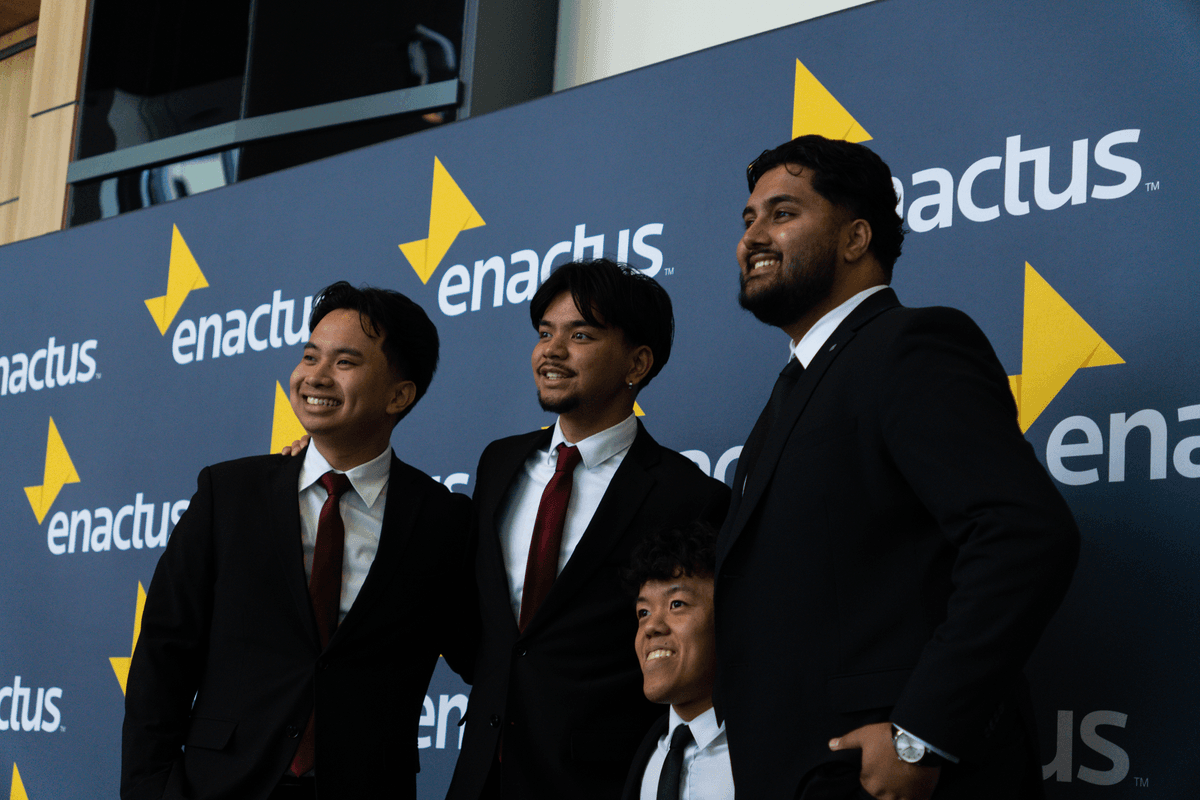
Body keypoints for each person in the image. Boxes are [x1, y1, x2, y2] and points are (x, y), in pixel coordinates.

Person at [715, 135, 1080, 800]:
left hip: (888, 778)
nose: (754, 237)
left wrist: (922, 731)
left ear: (856, 239)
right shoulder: (796, 385)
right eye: (748, 219)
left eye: (783, 213)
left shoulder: (910, 346)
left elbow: (1023, 534)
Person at [121, 281, 476, 800]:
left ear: (399, 394)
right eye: (311, 356)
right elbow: (163, 655)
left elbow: (481, 654)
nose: (315, 376)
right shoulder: (229, 492)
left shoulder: (441, 519)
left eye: (345, 362)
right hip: (219, 785)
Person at [445, 259, 730, 800]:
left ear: (637, 362)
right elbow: (484, 626)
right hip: (480, 772)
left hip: (600, 777)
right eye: (544, 333)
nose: (551, 351)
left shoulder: (686, 495)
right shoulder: (498, 463)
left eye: (580, 335)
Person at [620, 520, 733, 800]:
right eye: (643, 612)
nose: (651, 626)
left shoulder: (772, 753)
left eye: (677, 604)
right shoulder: (644, 758)